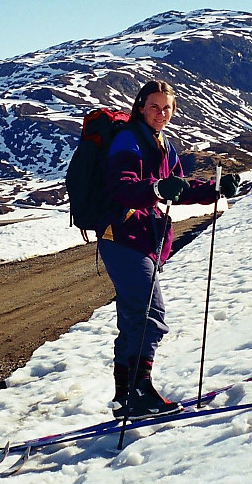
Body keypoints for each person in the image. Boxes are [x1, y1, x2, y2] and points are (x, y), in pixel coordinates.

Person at [96, 79, 241, 418]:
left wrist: (214, 189)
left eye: (167, 108)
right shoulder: (128, 140)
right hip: (122, 236)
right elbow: (122, 187)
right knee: (150, 314)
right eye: (154, 107)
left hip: (143, 238)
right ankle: (139, 391)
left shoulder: (162, 144)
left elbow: (178, 189)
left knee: (135, 318)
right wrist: (157, 187)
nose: (161, 114)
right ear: (140, 107)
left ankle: (126, 396)